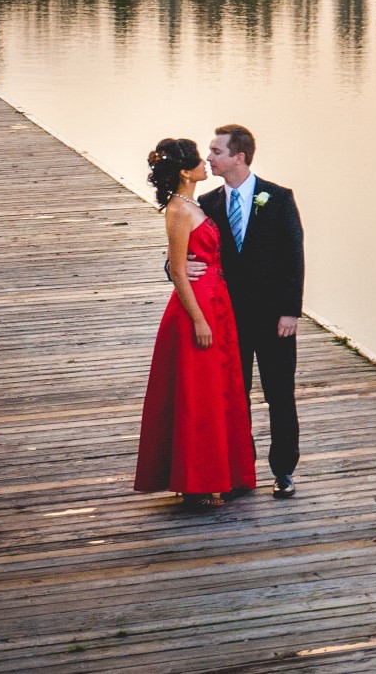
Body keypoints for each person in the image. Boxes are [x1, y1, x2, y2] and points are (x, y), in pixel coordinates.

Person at [133, 138, 256, 507]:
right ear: (185, 172)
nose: (206, 163)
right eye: (198, 161)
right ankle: (196, 483)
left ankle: (225, 474)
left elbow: (183, 261)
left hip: (218, 303)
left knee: (220, 391)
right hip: (198, 309)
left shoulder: (194, 204)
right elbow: (180, 272)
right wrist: (198, 319)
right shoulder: (179, 210)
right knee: (197, 397)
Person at [198, 124, 306, 499]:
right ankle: (241, 471)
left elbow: (295, 258)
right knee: (233, 395)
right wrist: (174, 269)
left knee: (280, 394)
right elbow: (189, 252)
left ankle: (283, 471)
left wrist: (290, 311)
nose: (208, 158)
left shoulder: (277, 198)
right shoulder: (207, 204)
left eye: (215, 151)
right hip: (228, 321)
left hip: (276, 320)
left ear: (238, 157)